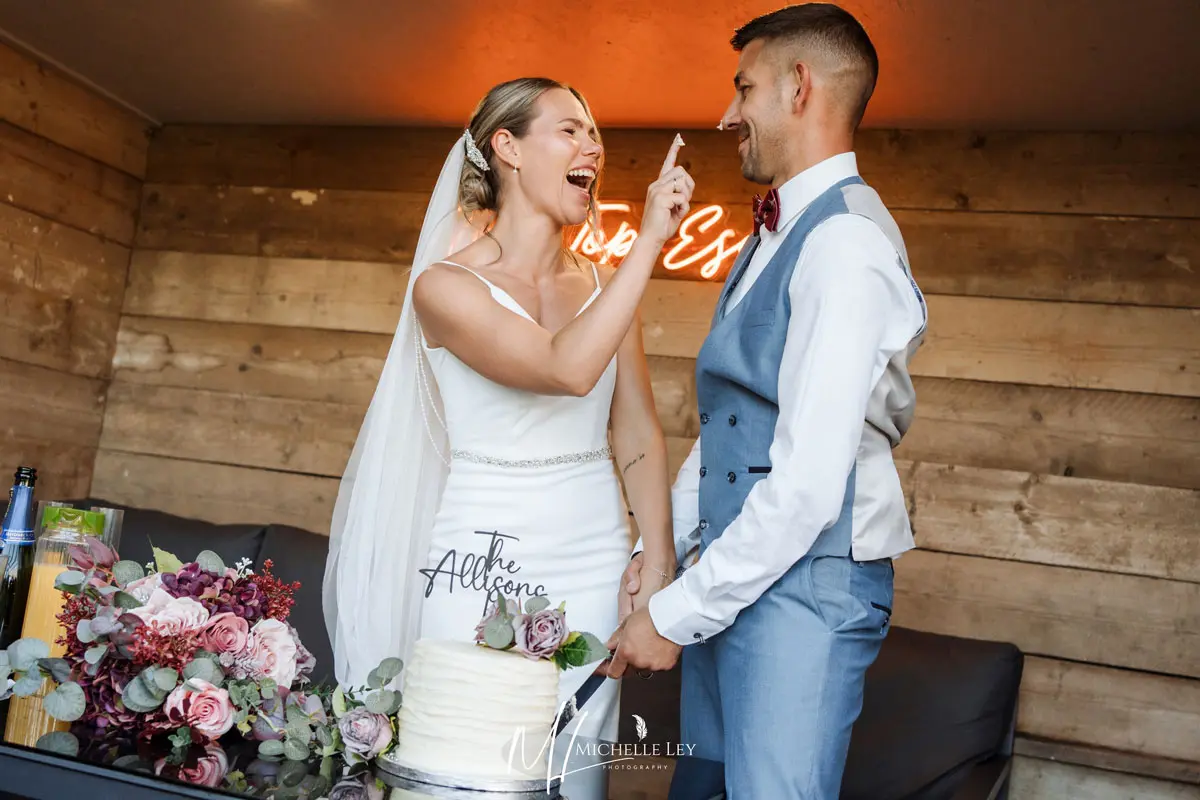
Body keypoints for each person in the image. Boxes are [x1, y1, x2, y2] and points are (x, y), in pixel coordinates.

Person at [322, 77, 692, 790]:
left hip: (594, 561)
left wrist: (659, 562)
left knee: (573, 776)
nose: (595, 146)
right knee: (472, 768)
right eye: (571, 130)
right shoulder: (444, 287)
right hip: (479, 565)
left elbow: (637, 428)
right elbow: (565, 369)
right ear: (507, 147)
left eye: (595, 134)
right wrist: (649, 242)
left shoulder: (603, 286)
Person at [613, 4, 928, 797]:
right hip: (736, 579)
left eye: (742, 88)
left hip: (804, 593)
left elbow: (808, 486)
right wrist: (662, 556)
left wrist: (673, 614)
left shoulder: (844, 245)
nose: (728, 114)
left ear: (798, 86)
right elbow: (730, 426)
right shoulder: (768, 241)